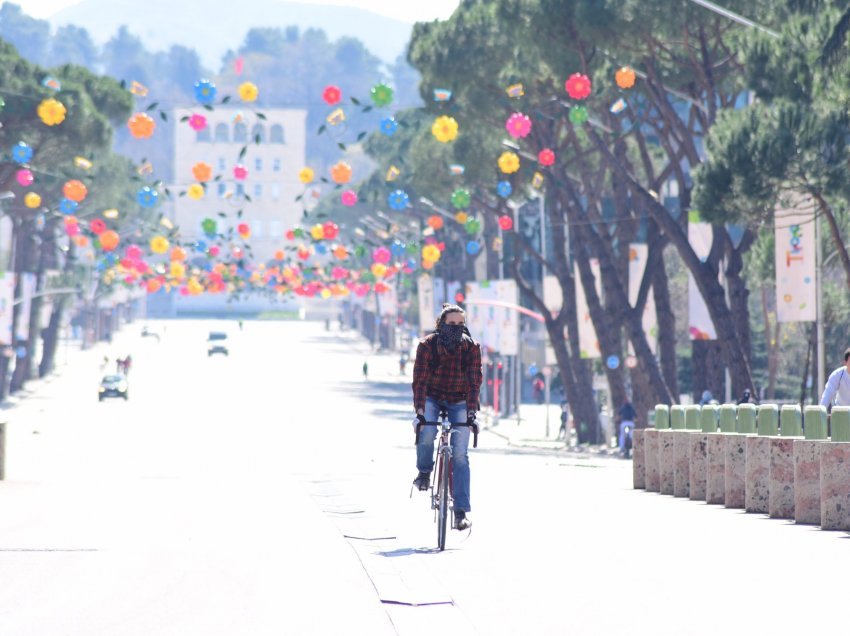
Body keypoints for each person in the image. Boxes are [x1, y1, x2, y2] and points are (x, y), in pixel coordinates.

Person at [411, 304, 483, 531]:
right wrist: (420, 413)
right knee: (428, 432)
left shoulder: (471, 348)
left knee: (460, 455)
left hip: (459, 398)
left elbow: (474, 382)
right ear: (441, 324)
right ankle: (424, 472)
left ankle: (460, 512)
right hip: (432, 396)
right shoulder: (426, 346)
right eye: (451, 324)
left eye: (461, 324)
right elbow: (420, 381)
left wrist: (471, 414)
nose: (456, 328)